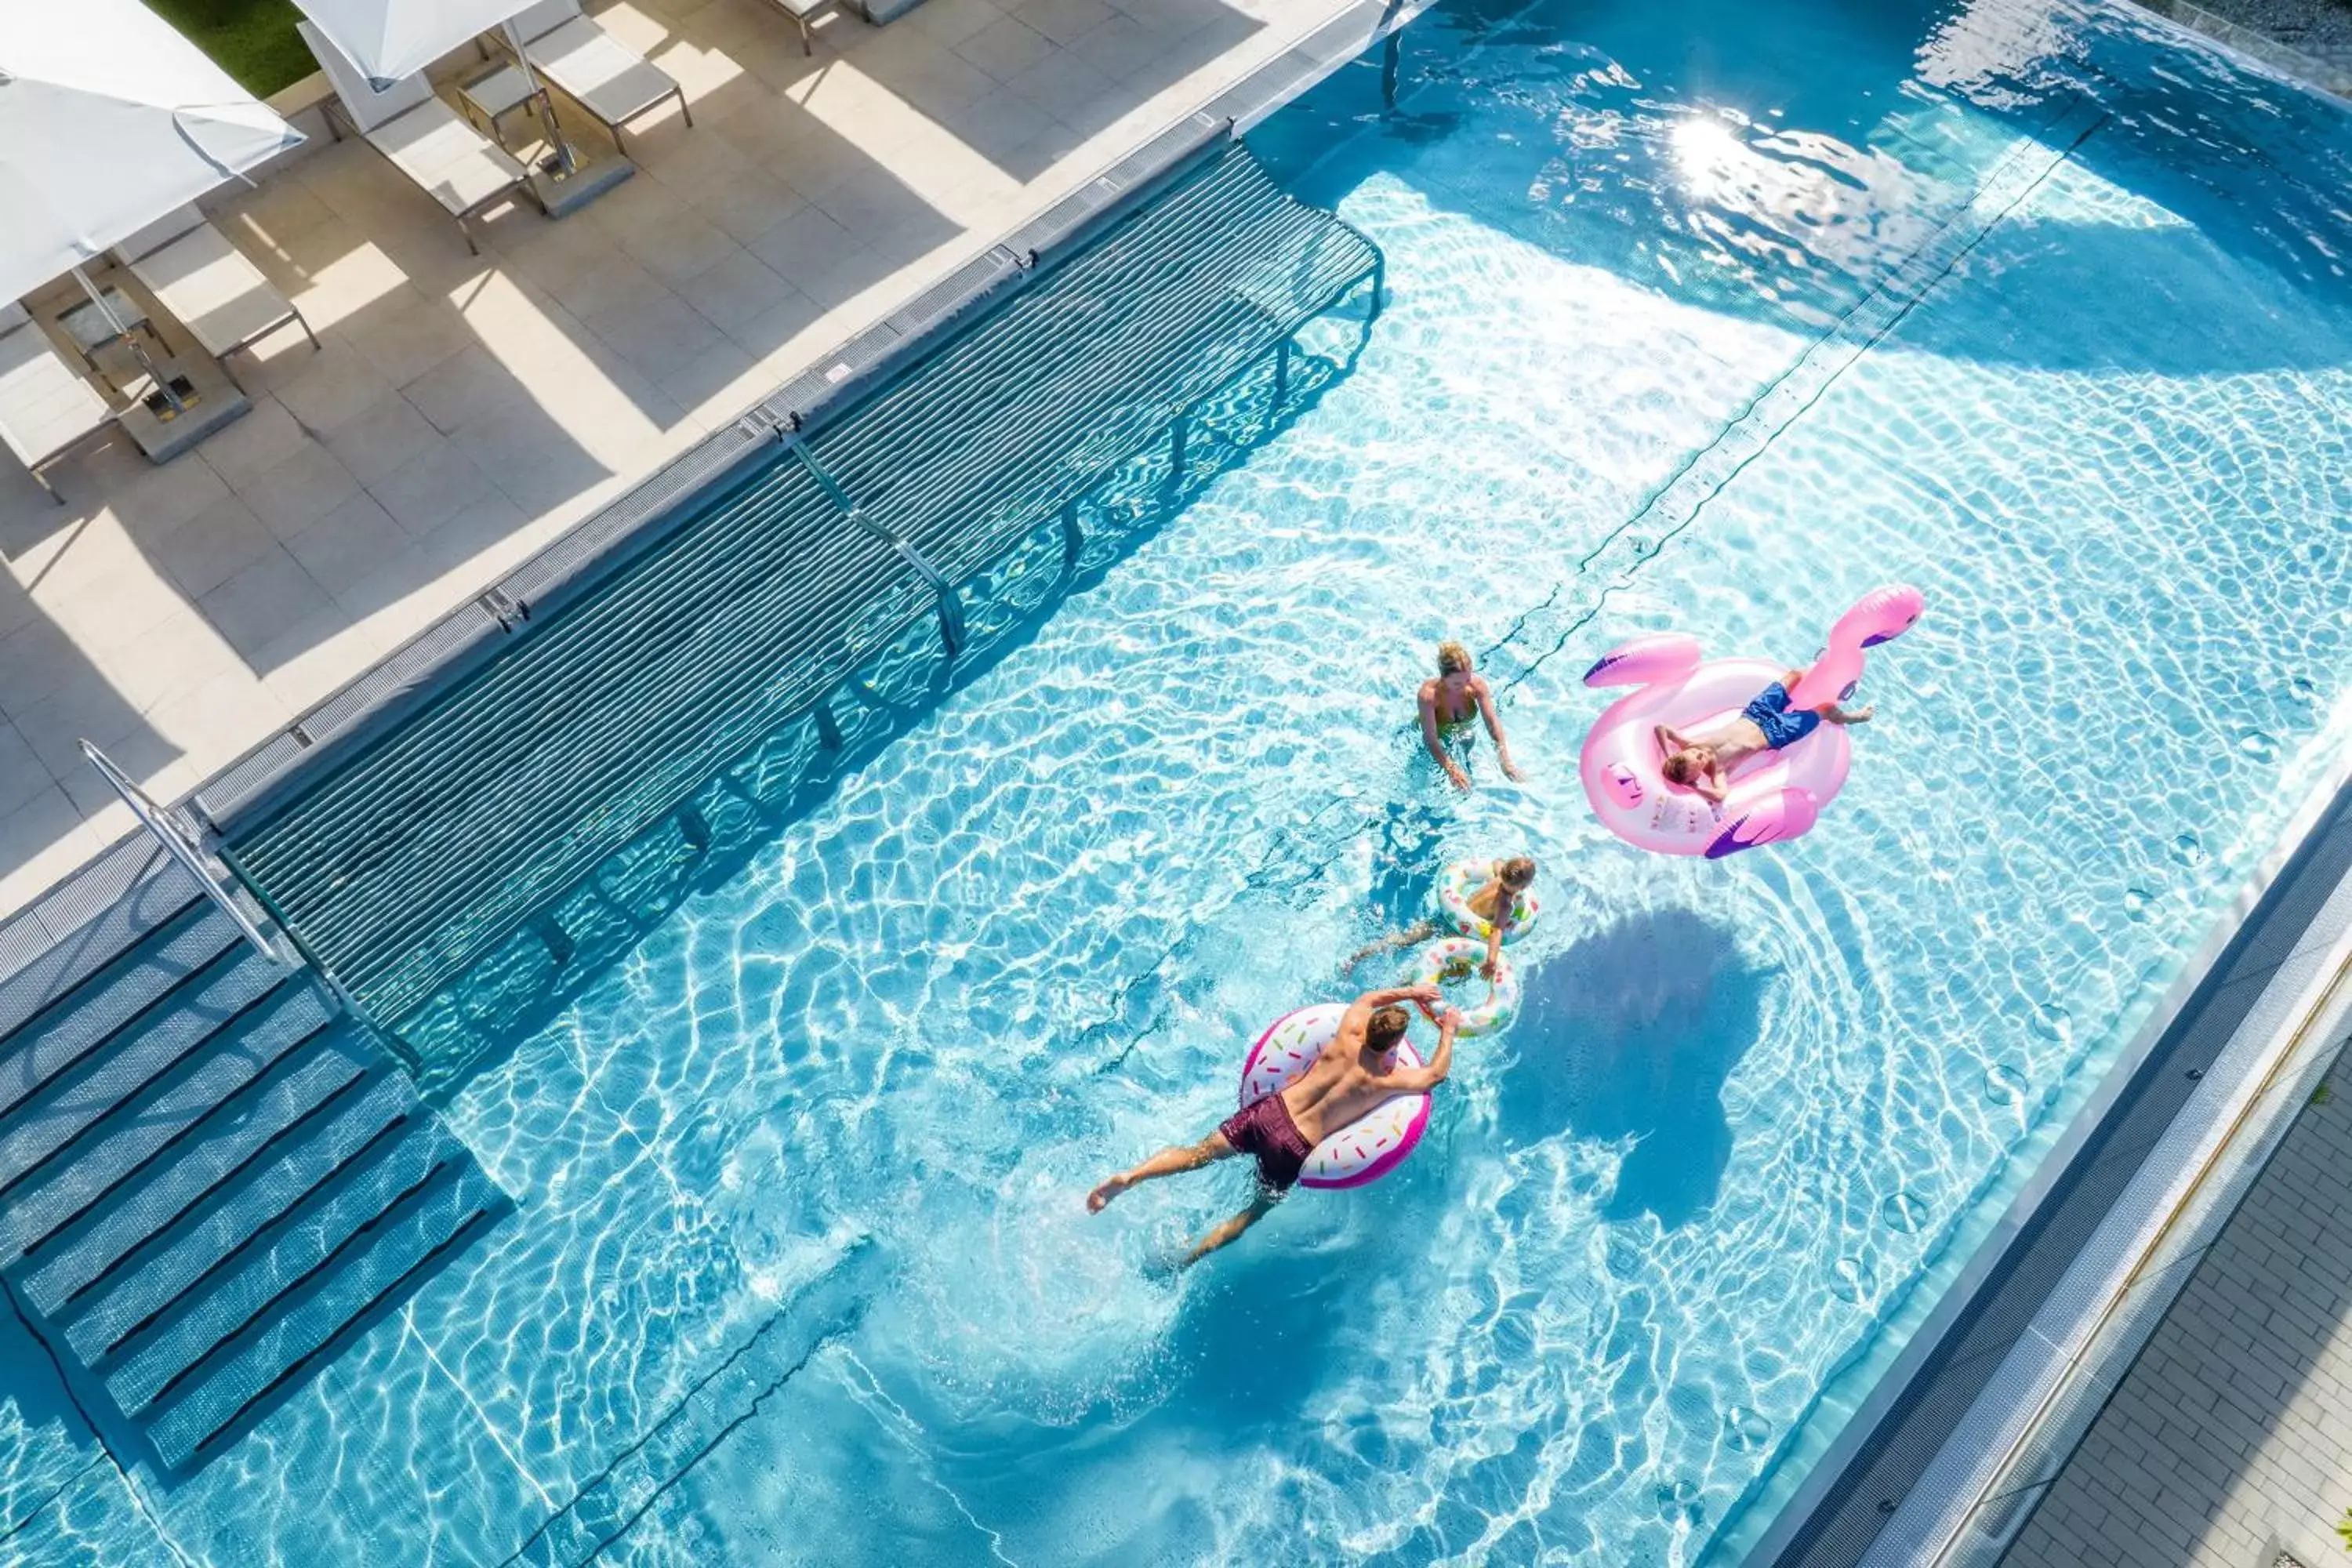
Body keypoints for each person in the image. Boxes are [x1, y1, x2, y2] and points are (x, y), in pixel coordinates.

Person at [1087, 986, 1461, 1268]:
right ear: (1395, 1044)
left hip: (1270, 1111)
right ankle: (1189, 1258)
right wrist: (1449, 1029)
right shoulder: (1384, 1079)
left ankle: (1132, 1177)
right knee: (1254, 1212)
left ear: (1369, 1028)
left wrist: (1413, 993)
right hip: (1294, 1147)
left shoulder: (1345, 1036)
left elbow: (1368, 998)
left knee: (1195, 1155)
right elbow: (1436, 1075)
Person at [1656, 668, 1873, 806]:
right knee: (1825, 710)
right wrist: (1695, 788)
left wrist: (1668, 754)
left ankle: (1828, 669)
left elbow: (1661, 728)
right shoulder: (1717, 771)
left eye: (1694, 753)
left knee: (1795, 675)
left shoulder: (1693, 745)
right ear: (1696, 775)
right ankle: (1854, 717)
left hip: (1756, 713)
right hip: (1773, 733)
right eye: (1699, 759)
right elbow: (1721, 795)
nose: (1700, 752)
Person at [1345, 855, 1535, 980]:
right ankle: (1401, 985)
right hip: (1459, 937)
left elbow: (1497, 861)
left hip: (1444, 918)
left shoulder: (1497, 876)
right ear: (1524, 887)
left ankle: (1358, 955)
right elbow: (1497, 931)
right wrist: (1491, 960)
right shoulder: (1505, 904)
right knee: (1460, 977)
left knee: (1404, 939)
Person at [1420, 641, 1523, 792]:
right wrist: (1451, 769)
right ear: (1443, 678)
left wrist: (1504, 759)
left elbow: (1492, 722)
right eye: (1457, 683)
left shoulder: (1476, 686)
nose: (1465, 686)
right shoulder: (1429, 696)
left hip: (1464, 733)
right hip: (1437, 735)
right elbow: (1431, 738)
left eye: (1468, 679)